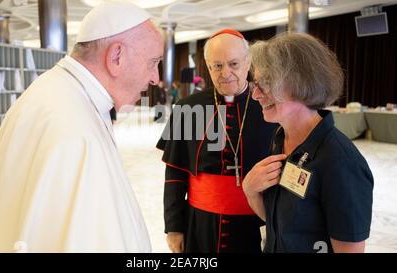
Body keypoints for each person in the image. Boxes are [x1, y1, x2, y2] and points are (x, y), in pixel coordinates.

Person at [0, 1, 163, 252]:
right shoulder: (75, 129)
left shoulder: (54, 91)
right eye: (152, 62)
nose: (155, 78)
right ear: (116, 56)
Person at [242, 33, 373, 253]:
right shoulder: (280, 139)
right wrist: (250, 191)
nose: (255, 94)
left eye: (265, 84)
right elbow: (283, 224)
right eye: (256, 84)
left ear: (299, 83)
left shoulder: (340, 161)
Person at [157, 29, 277, 253]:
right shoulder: (187, 108)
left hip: (257, 222)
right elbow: (175, 175)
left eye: (233, 64)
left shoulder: (270, 106)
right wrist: (174, 228)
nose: (226, 73)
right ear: (208, 66)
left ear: (248, 62)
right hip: (200, 224)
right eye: (218, 66)